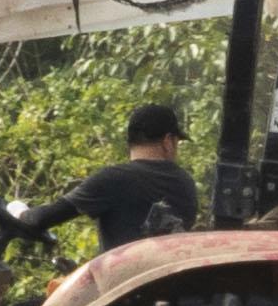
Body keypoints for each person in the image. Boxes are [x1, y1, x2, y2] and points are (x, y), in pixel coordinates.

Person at [18, 102, 203, 253]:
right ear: (168, 141)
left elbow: (44, 218)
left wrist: (19, 213)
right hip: (167, 281)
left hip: (124, 286)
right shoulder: (185, 182)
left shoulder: (114, 179)